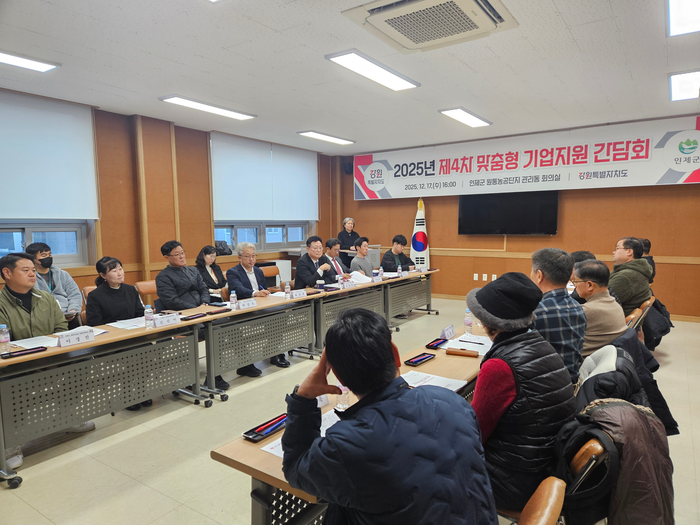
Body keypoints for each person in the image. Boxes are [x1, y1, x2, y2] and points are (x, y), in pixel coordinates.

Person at [282, 308, 498, 524]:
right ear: (395, 354)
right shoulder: (453, 401)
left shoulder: (345, 445)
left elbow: (295, 468)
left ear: (338, 377)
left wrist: (303, 399)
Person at [467, 272, 576, 511]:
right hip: (546, 465)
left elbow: (475, 433)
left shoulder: (500, 366)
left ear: (487, 322)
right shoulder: (540, 344)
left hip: (514, 481)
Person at [0, 253, 95, 469]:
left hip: (50, 356)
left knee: (83, 361)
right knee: (9, 383)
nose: (32, 274)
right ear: (7, 273)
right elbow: (5, 341)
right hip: (16, 364)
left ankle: (66, 416)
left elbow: (60, 328)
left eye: (33, 270)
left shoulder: (46, 298)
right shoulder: (1, 303)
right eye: (26, 270)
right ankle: (10, 441)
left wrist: (53, 353)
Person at [156, 241, 229, 391]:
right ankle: (212, 375)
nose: (182, 256)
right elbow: (171, 301)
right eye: (177, 254)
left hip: (202, 313)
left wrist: (204, 304)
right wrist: (195, 310)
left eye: (183, 253)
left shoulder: (193, 271)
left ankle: (217, 373)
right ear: (166, 257)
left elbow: (204, 289)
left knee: (228, 323)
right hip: (183, 319)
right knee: (215, 331)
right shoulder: (163, 277)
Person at [87, 256, 151, 410]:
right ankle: (127, 394)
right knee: (132, 355)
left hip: (133, 336)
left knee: (148, 349)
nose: (120, 273)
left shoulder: (130, 290)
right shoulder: (96, 295)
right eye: (114, 271)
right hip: (111, 341)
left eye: (121, 269)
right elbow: (95, 324)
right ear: (103, 275)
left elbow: (139, 313)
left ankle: (142, 390)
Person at [227, 242, 290, 375]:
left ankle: (273, 350)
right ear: (239, 257)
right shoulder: (233, 272)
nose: (251, 259)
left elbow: (263, 288)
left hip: (261, 306)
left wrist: (264, 292)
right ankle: (245, 362)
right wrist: (255, 293)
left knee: (281, 313)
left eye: (253, 256)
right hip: (244, 309)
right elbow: (237, 289)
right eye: (247, 256)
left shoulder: (258, 271)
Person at [530, 248, 587, 384]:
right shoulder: (578, 307)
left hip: (542, 385)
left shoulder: (536, 312)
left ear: (539, 275)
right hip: (570, 381)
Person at [572, 260, 628, 356]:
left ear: (589, 285)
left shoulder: (587, 310)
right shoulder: (614, 303)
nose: (575, 285)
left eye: (575, 281)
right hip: (605, 358)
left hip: (585, 361)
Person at [25, 242, 82, 329]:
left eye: (50, 254)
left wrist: (73, 311)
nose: (48, 257)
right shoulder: (29, 277)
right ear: (33, 259)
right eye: (44, 255)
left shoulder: (63, 274)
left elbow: (74, 294)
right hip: (43, 318)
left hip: (67, 315)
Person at [608, 237, 653, 316]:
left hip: (613, 319)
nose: (613, 252)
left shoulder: (626, 277)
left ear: (629, 252)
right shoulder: (634, 271)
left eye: (617, 248)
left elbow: (603, 300)